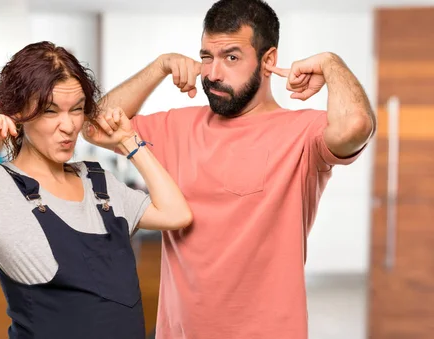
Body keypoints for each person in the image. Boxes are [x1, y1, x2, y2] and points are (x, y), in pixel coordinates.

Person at [85, 1, 376, 338]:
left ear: (268, 61)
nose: (213, 73)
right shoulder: (178, 126)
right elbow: (94, 127)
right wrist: (160, 66)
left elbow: (355, 126)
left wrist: (331, 63)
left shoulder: (301, 133)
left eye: (232, 58)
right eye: (207, 57)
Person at [0, 41, 192, 338]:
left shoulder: (100, 184)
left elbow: (176, 214)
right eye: (50, 111)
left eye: (77, 109)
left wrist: (129, 142)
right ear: (18, 113)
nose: (69, 126)